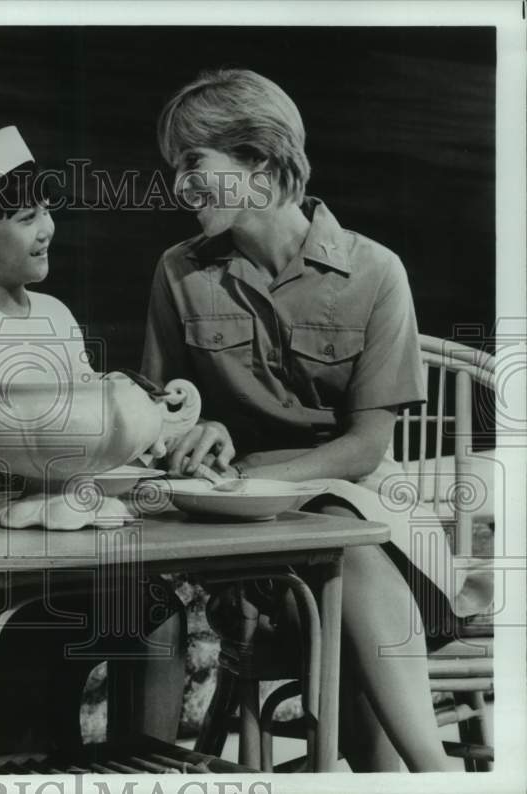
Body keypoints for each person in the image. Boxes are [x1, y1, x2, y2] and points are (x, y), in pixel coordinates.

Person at [142, 68, 492, 772]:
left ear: (260, 163)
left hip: (371, 519)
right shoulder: (178, 273)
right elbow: (159, 417)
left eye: (192, 163)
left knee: (344, 553)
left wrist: (241, 471)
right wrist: (189, 433)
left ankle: (427, 769)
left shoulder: (375, 272)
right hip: (244, 540)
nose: (177, 186)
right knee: (326, 592)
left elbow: (363, 449)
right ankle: (431, 772)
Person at [0, 127, 187, 752]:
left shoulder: (55, 316)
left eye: (46, 210)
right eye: (26, 216)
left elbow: (93, 426)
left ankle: (149, 763)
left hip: (76, 538)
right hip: (4, 559)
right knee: (36, 673)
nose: (47, 227)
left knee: (162, 616)